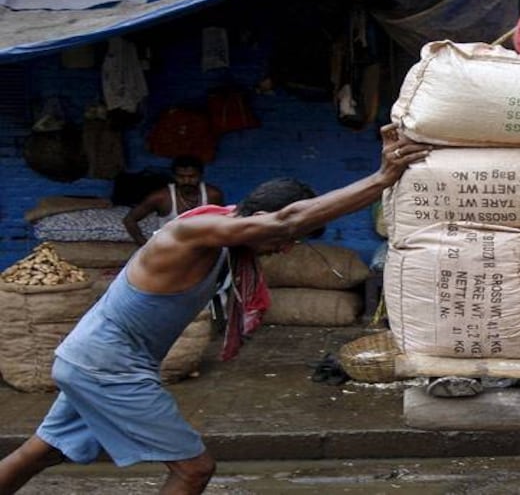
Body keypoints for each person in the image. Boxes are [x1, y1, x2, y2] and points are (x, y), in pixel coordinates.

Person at [0, 130, 430, 495]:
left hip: (93, 359)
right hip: (108, 366)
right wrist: (382, 178)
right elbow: (285, 223)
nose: (284, 249)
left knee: (44, 450)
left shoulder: (222, 230)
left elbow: (282, 226)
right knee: (194, 468)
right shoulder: (195, 230)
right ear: (259, 219)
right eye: (284, 239)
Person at [123, 155, 226, 246]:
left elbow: (223, 222)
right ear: (174, 176)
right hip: (170, 250)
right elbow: (129, 220)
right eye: (181, 177)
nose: (187, 181)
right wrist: (145, 246)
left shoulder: (213, 195)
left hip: (203, 250)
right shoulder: (161, 197)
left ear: (200, 175)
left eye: (192, 177)